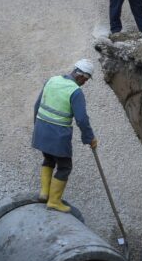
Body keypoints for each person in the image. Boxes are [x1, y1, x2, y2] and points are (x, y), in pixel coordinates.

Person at [32, 59, 98, 212]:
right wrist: (89, 138)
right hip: (58, 135)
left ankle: (44, 193)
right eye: (86, 80)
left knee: (48, 159)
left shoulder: (52, 80)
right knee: (64, 166)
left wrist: (38, 127)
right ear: (82, 76)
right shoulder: (75, 91)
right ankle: (54, 201)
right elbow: (82, 119)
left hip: (42, 129)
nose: (85, 83)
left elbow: (37, 105)